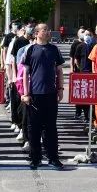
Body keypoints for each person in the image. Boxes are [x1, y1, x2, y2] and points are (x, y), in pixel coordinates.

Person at [21, 23, 65, 170]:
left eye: (48, 29)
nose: (47, 32)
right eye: (44, 30)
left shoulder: (54, 49)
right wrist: (25, 93)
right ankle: (35, 158)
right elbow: (25, 74)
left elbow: (59, 71)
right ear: (36, 33)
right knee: (34, 128)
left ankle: (53, 157)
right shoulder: (30, 49)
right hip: (34, 95)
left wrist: (60, 89)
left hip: (51, 94)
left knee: (51, 128)